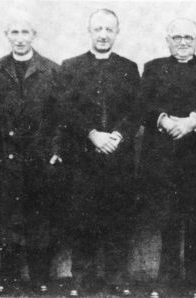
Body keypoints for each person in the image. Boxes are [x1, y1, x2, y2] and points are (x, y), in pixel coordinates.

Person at [52, 8, 140, 296]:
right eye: (98, 29)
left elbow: (135, 109)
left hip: (118, 155)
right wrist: (92, 134)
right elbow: (65, 109)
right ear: (89, 31)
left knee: (117, 217)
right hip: (83, 157)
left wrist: (117, 136)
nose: (103, 35)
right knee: (82, 218)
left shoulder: (128, 67)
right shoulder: (70, 66)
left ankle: (117, 277)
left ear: (117, 32)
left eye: (109, 30)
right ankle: (82, 278)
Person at [139, 18, 196, 297]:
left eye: (188, 37)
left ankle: (194, 282)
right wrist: (164, 121)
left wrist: (192, 121)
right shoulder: (153, 68)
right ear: (168, 40)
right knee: (166, 220)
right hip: (163, 161)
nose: (182, 42)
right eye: (176, 37)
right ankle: (165, 281)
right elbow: (142, 104)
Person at [0, 14, 61, 294]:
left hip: (39, 158)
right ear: (7, 36)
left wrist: (54, 152)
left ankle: (40, 278)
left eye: (25, 32)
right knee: (9, 218)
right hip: (7, 159)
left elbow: (60, 117)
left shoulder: (52, 71)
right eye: (14, 32)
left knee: (39, 217)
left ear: (34, 35)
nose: (19, 38)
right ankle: (8, 279)